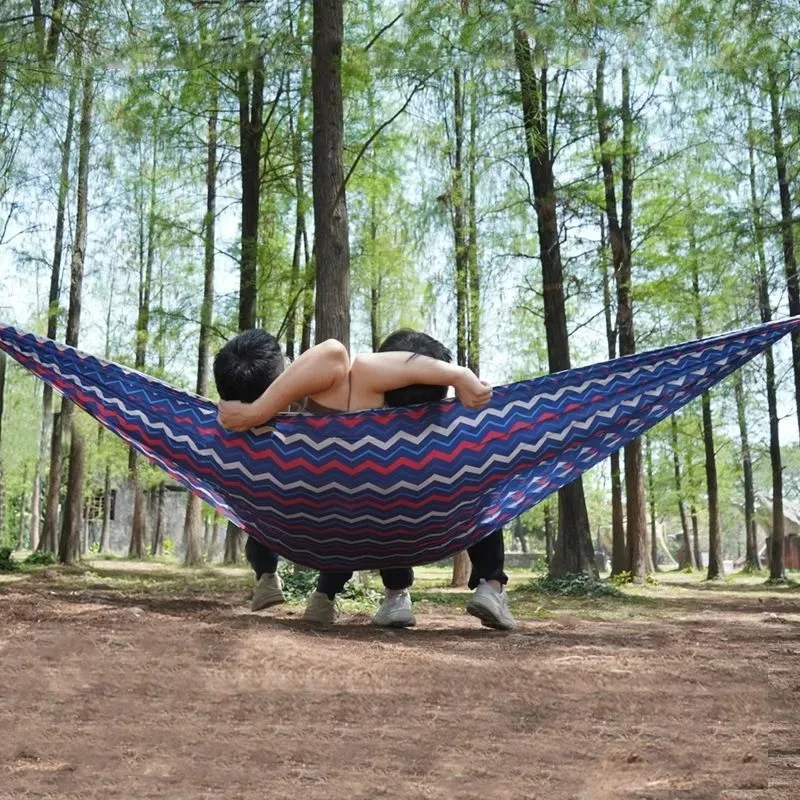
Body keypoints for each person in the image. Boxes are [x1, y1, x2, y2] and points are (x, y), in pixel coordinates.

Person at [214, 329, 516, 631]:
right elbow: (341, 356)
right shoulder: (350, 403)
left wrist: (255, 412)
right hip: (416, 516)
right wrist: (459, 375)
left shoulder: (248, 436)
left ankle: (312, 589)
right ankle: (490, 584)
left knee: (341, 500)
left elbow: (344, 360)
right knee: (475, 474)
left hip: (311, 527)